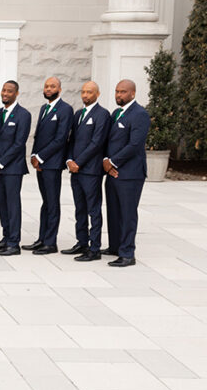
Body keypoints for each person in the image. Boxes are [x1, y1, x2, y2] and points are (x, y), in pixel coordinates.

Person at [103, 79, 151, 267]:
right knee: (113, 211)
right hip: (112, 171)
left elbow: (134, 144)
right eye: (117, 91)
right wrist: (106, 161)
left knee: (127, 213)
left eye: (123, 92)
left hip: (130, 174)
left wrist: (112, 162)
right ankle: (115, 247)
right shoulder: (116, 113)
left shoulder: (140, 114)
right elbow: (109, 141)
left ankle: (127, 253)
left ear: (132, 93)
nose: (118, 95)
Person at [24, 76, 74, 255]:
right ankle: (42, 239)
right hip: (41, 164)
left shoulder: (65, 109)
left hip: (52, 164)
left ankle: (51, 243)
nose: (48, 89)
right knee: (45, 202)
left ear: (59, 89)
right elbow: (39, 135)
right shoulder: (44, 108)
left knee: (52, 203)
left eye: (52, 86)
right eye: (46, 86)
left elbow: (61, 138)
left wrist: (41, 157)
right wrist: (33, 155)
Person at [63, 81, 110, 261]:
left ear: (97, 94)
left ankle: (94, 248)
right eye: (83, 92)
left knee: (93, 210)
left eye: (89, 92)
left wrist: (79, 162)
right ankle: (81, 242)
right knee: (79, 208)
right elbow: (72, 140)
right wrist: (69, 160)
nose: (85, 95)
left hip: (90, 171)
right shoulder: (78, 114)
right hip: (75, 170)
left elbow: (97, 143)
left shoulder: (102, 114)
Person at [0, 80, 31, 256]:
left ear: (16, 93)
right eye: (4, 90)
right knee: (2, 204)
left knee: (12, 206)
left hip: (13, 168)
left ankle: (14, 243)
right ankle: (5, 238)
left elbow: (19, 143)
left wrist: (1, 163)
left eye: (9, 91)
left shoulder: (23, 115)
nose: (5, 93)